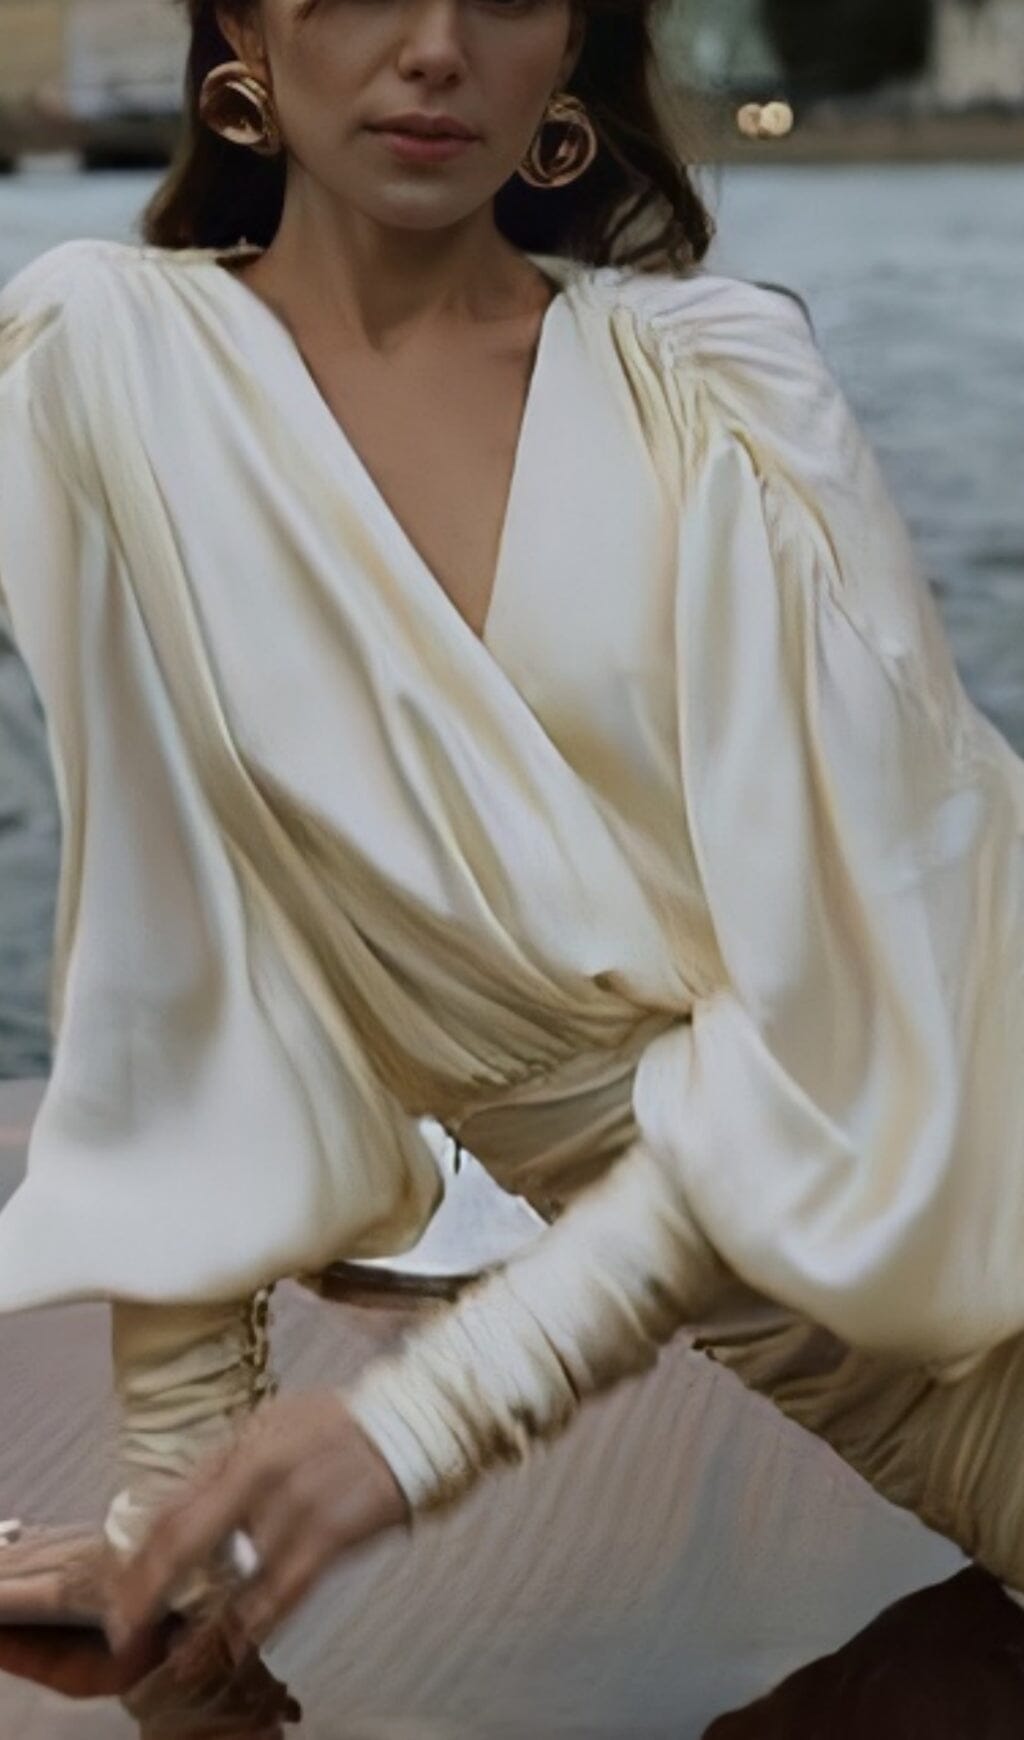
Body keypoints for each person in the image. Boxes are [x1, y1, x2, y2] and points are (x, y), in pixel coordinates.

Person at [2, 0, 1024, 1692]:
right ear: (240, 21)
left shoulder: (724, 384)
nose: (434, 47)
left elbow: (874, 1007)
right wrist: (178, 1509)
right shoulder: (110, 361)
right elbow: (175, 965)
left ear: (572, 44)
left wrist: (428, 1420)